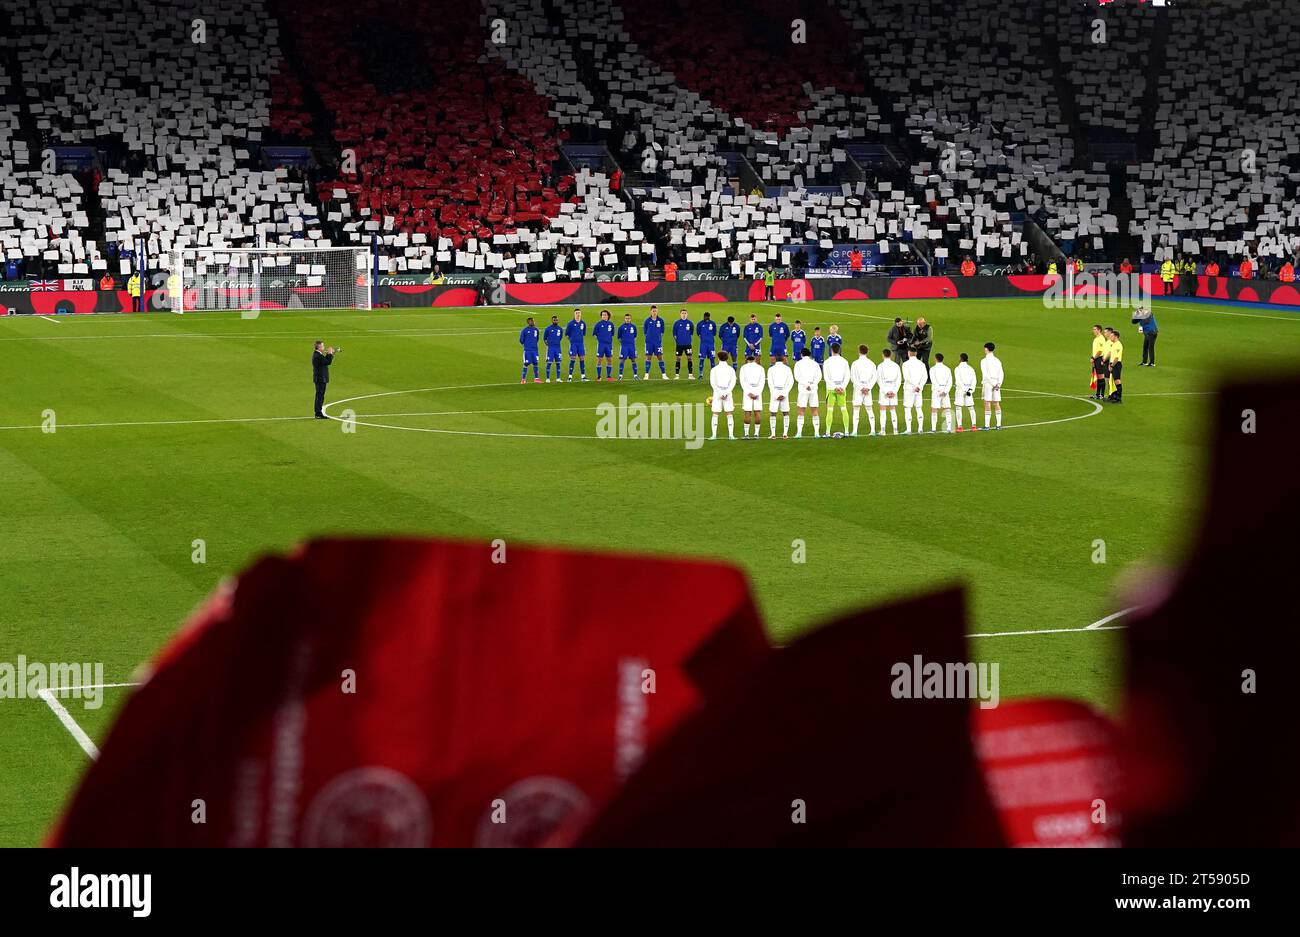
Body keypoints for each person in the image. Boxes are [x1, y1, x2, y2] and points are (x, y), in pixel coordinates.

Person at [821, 344, 851, 436]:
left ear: (831, 350)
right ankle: (846, 432)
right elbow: (847, 376)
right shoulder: (844, 361)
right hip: (842, 389)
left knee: (830, 410)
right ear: (839, 350)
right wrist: (842, 387)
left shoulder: (827, 362)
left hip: (831, 389)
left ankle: (827, 432)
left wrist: (835, 387)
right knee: (844, 409)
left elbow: (826, 377)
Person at [792, 348, 822, 439]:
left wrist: (806, 384)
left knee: (801, 411)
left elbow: (797, 377)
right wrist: (812, 385)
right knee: (814, 410)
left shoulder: (798, 364)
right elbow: (819, 376)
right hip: (813, 390)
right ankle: (816, 433)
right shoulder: (815, 364)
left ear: (801, 354)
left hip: (803, 389)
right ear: (809, 354)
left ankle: (799, 433)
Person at [849, 344, 877, 437]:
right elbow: (874, 377)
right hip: (868, 389)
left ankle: (855, 431)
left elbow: (853, 378)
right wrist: (868, 388)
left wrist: (861, 388)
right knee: (869, 409)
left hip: (858, 389)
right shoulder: (872, 363)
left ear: (859, 351)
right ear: (867, 352)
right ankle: (873, 430)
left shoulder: (855, 363)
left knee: (856, 409)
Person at [708, 351, 737, 440]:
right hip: (728, 393)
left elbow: (713, 383)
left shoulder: (714, 369)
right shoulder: (731, 369)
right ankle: (731, 435)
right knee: (729, 413)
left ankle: (714, 435)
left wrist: (720, 393)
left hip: (717, 393)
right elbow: (733, 382)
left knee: (715, 413)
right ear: (727, 358)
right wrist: (726, 392)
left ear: (718, 358)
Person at [738, 353, 766, 438]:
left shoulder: (743, 368)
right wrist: (757, 393)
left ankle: (746, 434)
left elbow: (742, 381)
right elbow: (762, 381)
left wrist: (748, 393)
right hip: (757, 392)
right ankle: (756, 434)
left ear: (747, 359)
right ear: (754, 359)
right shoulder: (760, 368)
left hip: (747, 392)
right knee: (757, 412)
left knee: (747, 412)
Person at [766, 354, 794, 438]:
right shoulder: (788, 369)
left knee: (773, 413)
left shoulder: (771, 369)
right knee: (786, 413)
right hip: (784, 392)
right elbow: (791, 382)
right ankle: (785, 434)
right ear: (783, 359)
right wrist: (784, 394)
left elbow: (770, 383)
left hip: (775, 392)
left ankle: (773, 434)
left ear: (774, 359)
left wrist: (775, 395)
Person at [876, 348, 902, 435]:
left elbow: (879, 380)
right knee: (893, 409)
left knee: (883, 409)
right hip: (893, 388)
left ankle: (883, 430)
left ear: (883, 355)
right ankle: (895, 430)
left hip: (884, 389)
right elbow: (899, 380)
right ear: (890, 355)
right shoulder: (896, 366)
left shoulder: (880, 366)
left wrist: (886, 392)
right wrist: (894, 391)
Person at [901, 348, 928, 434]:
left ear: (909, 353)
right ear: (916, 353)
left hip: (909, 389)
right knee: (919, 408)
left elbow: (907, 378)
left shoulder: (905, 364)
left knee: (908, 408)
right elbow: (925, 377)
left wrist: (915, 385)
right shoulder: (922, 364)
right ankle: (920, 429)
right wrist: (919, 386)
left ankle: (908, 430)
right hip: (919, 389)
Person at [312, 340, 339, 419]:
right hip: (320, 379)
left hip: (320, 379)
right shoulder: (318, 356)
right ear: (319, 347)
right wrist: (330, 353)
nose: (324, 347)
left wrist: (331, 353)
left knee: (320, 396)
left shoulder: (318, 355)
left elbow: (325, 361)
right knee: (320, 396)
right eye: (323, 346)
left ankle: (318, 413)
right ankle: (318, 413)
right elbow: (328, 362)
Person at [928, 353, 954, 433]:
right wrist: (945, 391)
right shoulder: (947, 369)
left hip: (937, 391)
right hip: (945, 390)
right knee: (947, 408)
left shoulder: (932, 369)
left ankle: (933, 429)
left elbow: (933, 381)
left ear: (935, 359)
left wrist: (939, 390)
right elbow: (950, 382)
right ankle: (949, 428)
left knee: (934, 409)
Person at [980, 342, 1004, 428]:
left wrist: (993, 384)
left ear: (986, 349)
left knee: (987, 402)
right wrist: (998, 384)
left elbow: (985, 374)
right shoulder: (997, 360)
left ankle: (987, 425)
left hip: (988, 383)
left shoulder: (984, 361)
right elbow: (1001, 373)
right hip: (996, 383)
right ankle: (998, 425)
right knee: (996, 403)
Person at [953, 353, 978, 432]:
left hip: (960, 390)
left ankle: (960, 426)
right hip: (969, 390)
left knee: (958, 407)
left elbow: (958, 381)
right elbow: (974, 380)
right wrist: (970, 390)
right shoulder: (971, 368)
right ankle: (974, 426)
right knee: (971, 407)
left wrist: (964, 390)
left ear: (960, 358)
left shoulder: (957, 368)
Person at [643, 306, 668, 379]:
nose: (654, 312)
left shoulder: (661, 321)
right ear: (650, 312)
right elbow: (645, 332)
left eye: (655, 311)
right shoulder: (647, 321)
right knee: (648, 357)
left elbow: (662, 332)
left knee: (660, 357)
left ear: (657, 311)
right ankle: (646, 374)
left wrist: (658, 338)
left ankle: (664, 374)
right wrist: (649, 338)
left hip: (657, 342)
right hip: (649, 343)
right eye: (653, 311)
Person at [671, 309, 695, 379]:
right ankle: (677, 375)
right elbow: (674, 334)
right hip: (679, 345)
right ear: (680, 314)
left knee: (689, 358)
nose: (684, 314)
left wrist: (687, 340)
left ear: (687, 314)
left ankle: (690, 375)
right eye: (682, 313)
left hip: (688, 344)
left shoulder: (690, 323)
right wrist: (678, 341)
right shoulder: (676, 323)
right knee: (678, 359)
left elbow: (691, 333)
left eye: (685, 313)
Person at [592, 309, 615, 381]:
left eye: (605, 315)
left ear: (608, 316)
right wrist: (600, 339)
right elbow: (594, 334)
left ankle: (608, 376)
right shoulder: (598, 324)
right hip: (601, 345)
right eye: (602, 315)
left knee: (610, 360)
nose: (604, 316)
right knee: (599, 360)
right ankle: (599, 377)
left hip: (609, 345)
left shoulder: (611, 324)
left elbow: (612, 334)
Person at [565, 308, 587, 381]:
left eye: (579, 313)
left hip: (581, 344)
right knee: (573, 358)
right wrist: (572, 341)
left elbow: (583, 333)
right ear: (574, 314)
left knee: (582, 358)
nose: (578, 314)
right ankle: (570, 376)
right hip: (573, 344)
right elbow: (567, 334)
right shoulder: (570, 323)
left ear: (581, 314)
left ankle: (583, 376)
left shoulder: (583, 323)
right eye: (576, 313)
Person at [617, 313, 639, 380]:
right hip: (624, 347)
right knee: (622, 360)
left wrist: (631, 342)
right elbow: (619, 337)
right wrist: (624, 343)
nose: (627, 320)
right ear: (624, 319)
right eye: (626, 318)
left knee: (633, 360)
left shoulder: (633, 327)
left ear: (630, 319)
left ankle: (635, 375)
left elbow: (635, 336)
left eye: (629, 318)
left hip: (632, 346)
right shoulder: (621, 327)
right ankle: (620, 375)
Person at [1104, 327, 1124, 403]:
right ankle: (1113, 396)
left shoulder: (1118, 345)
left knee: (1117, 380)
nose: (1110, 337)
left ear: (1116, 336)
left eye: (1112, 336)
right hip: (1113, 364)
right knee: (1113, 381)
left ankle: (1119, 398)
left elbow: (1116, 357)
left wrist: (1112, 366)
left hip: (1116, 364)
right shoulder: (1114, 344)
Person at [519, 317, 541, 383]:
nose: (533, 322)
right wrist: (526, 345)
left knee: (536, 363)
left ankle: (536, 379)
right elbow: (521, 340)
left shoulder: (536, 330)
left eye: (534, 321)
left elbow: (537, 339)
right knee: (526, 363)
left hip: (535, 350)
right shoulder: (524, 330)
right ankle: (523, 379)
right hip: (527, 350)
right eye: (532, 321)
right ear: (528, 322)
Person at [543, 315, 564, 382]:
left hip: (558, 348)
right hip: (551, 349)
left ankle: (558, 378)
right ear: (552, 321)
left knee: (558, 363)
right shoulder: (548, 329)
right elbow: (545, 338)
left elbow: (560, 337)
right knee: (549, 363)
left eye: (556, 320)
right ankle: (547, 378)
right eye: (554, 320)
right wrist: (548, 345)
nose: (555, 321)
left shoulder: (560, 329)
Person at [696, 311, 717, 378]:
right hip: (703, 345)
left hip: (711, 344)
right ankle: (701, 374)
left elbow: (714, 333)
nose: (706, 318)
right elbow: (698, 333)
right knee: (702, 359)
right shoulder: (700, 324)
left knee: (712, 359)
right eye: (705, 317)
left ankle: (713, 375)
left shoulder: (713, 323)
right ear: (704, 316)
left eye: (708, 317)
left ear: (709, 317)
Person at [1090, 324, 1108, 399]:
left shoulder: (1101, 339)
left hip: (1099, 359)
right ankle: (1098, 394)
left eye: (1095, 329)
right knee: (1098, 376)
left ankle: (1101, 394)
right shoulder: (1096, 338)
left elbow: (1100, 351)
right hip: (1096, 359)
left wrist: (1093, 358)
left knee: (1101, 376)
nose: (1093, 331)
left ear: (1099, 330)